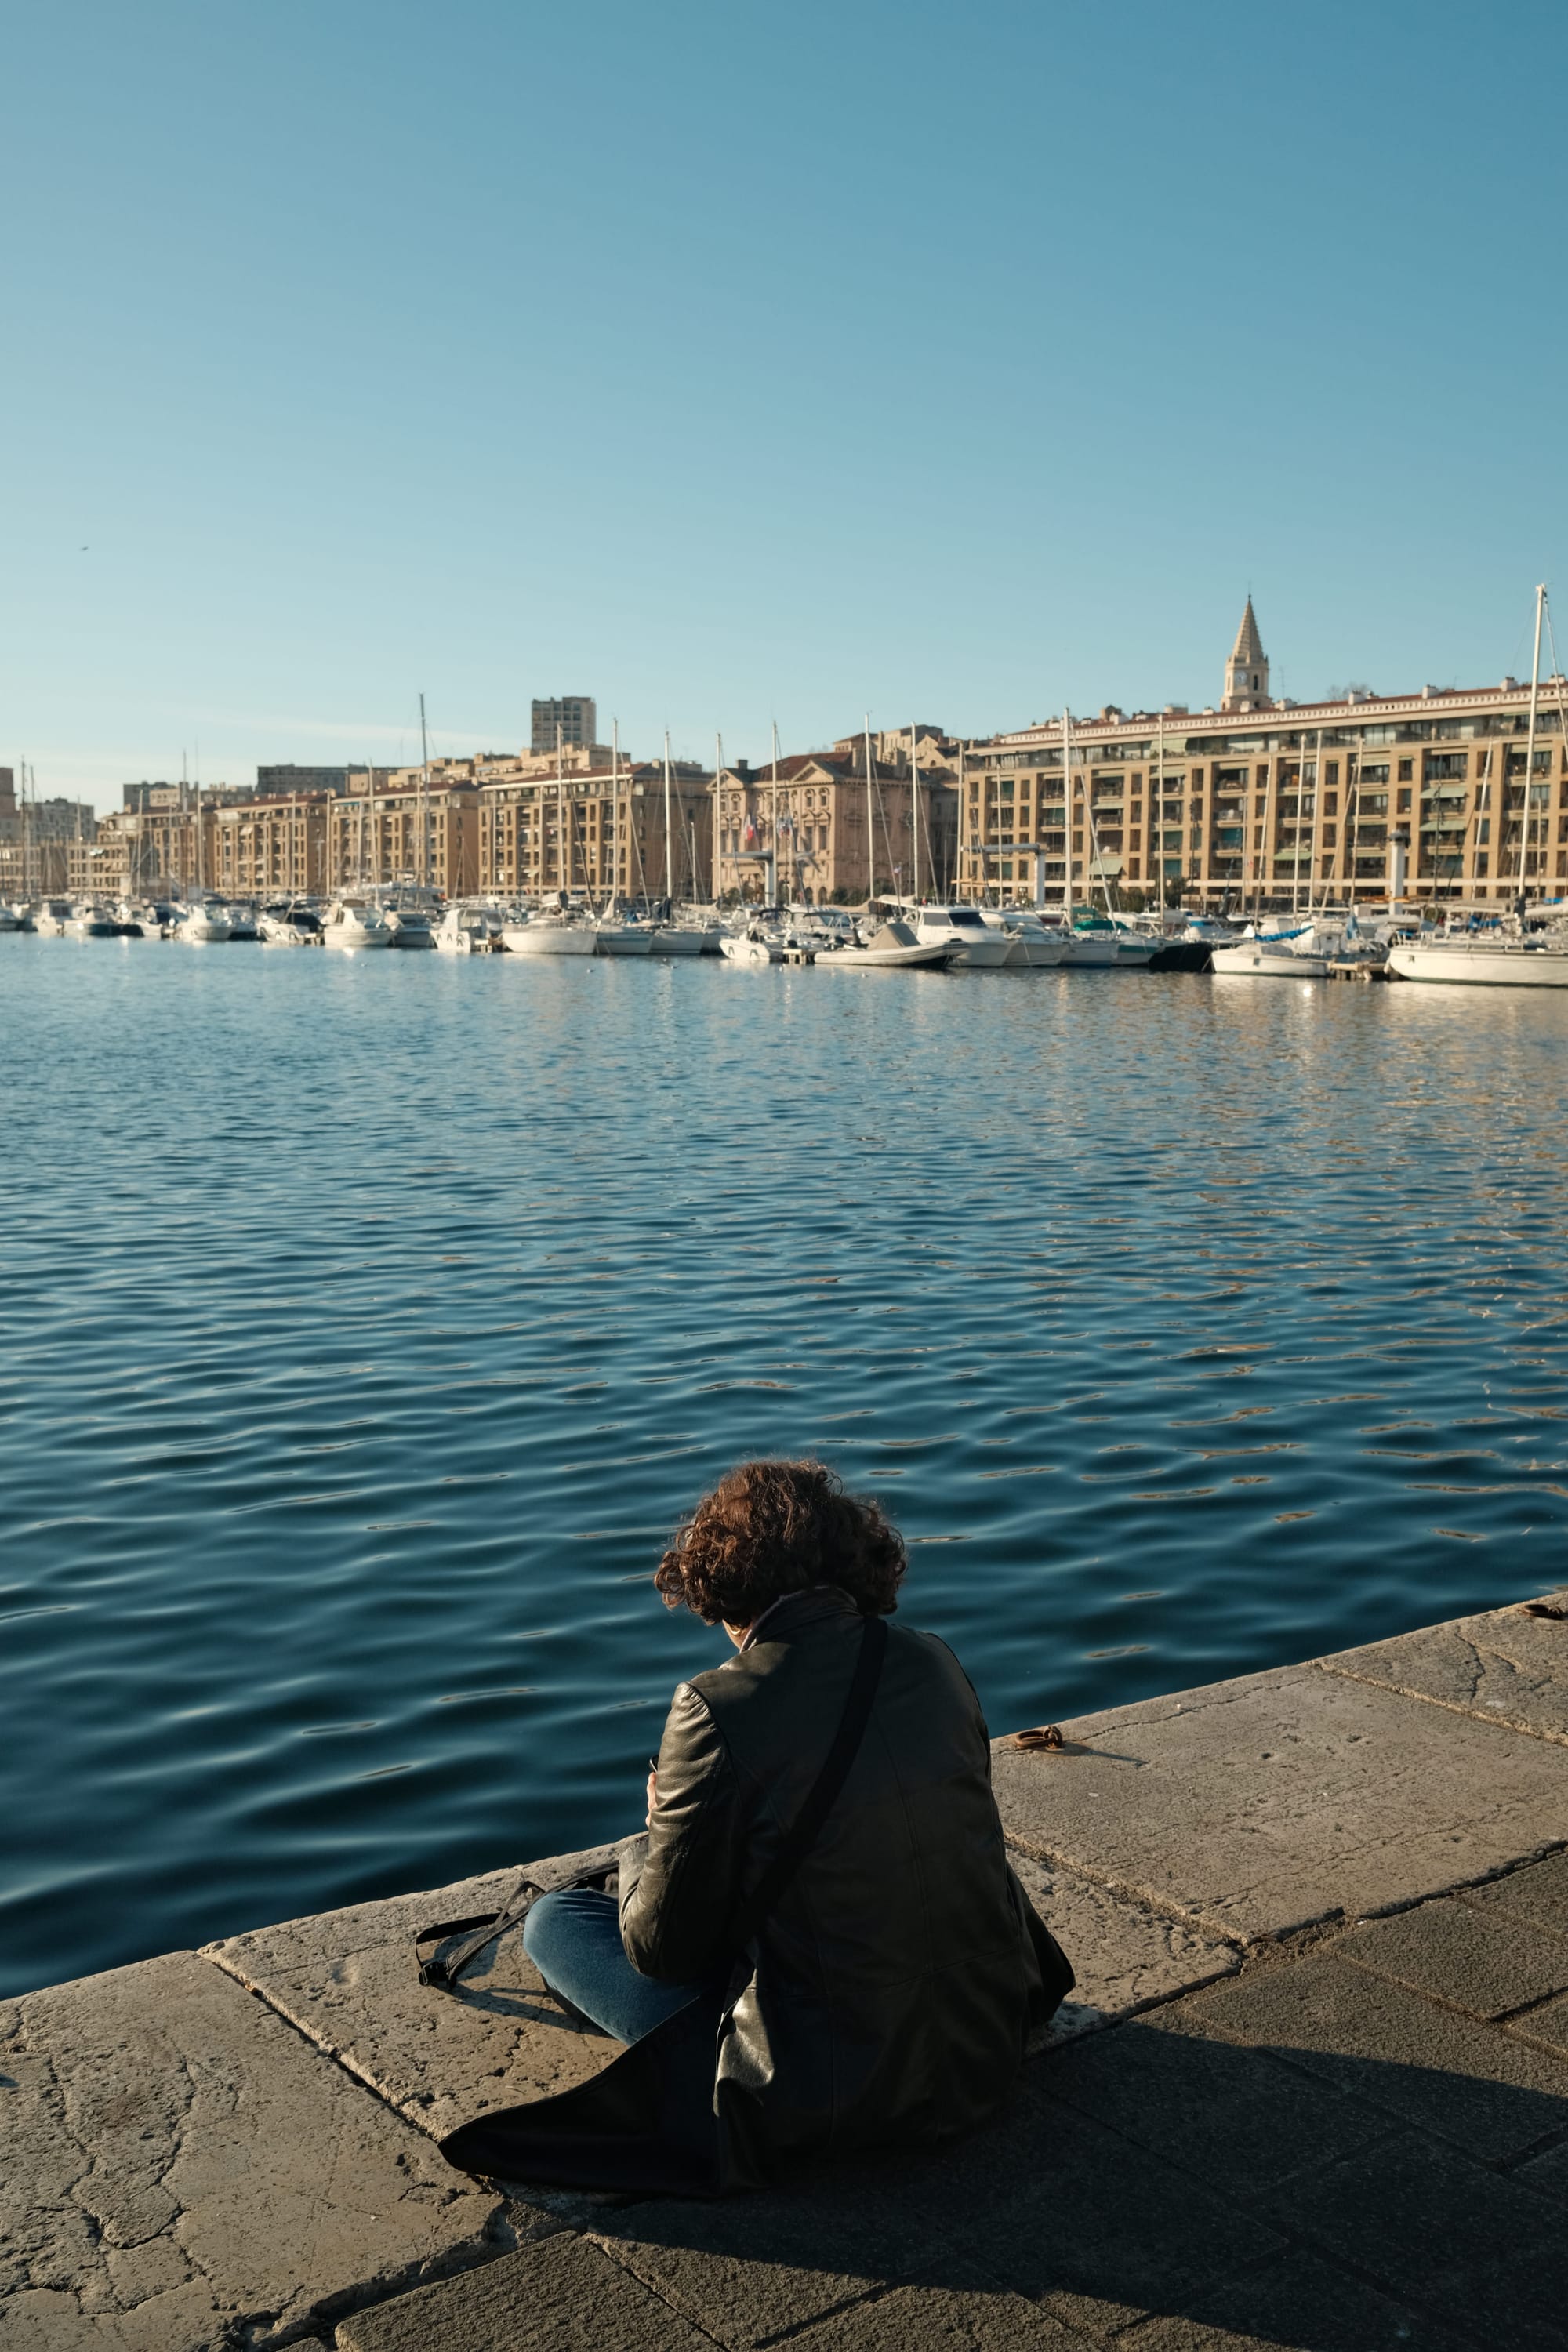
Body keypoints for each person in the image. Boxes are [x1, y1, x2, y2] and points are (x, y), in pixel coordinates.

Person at [441, 1458, 1071, 2195]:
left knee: (555, 1922)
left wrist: (654, 1832)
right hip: (982, 2042)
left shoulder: (714, 1706)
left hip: (820, 2085)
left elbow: (661, 1951)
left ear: (719, 1582)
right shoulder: (933, 1659)